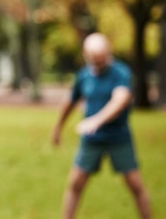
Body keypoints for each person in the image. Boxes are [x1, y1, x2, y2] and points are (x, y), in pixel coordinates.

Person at [51, 33, 151, 219]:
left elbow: (120, 100)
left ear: (109, 53)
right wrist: (57, 128)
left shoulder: (121, 73)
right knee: (75, 183)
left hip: (118, 136)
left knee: (135, 184)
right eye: (94, 61)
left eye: (102, 59)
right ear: (86, 57)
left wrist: (96, 120)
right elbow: (70, 102)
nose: (99, 64)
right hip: (91, 139)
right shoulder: (84, 76)